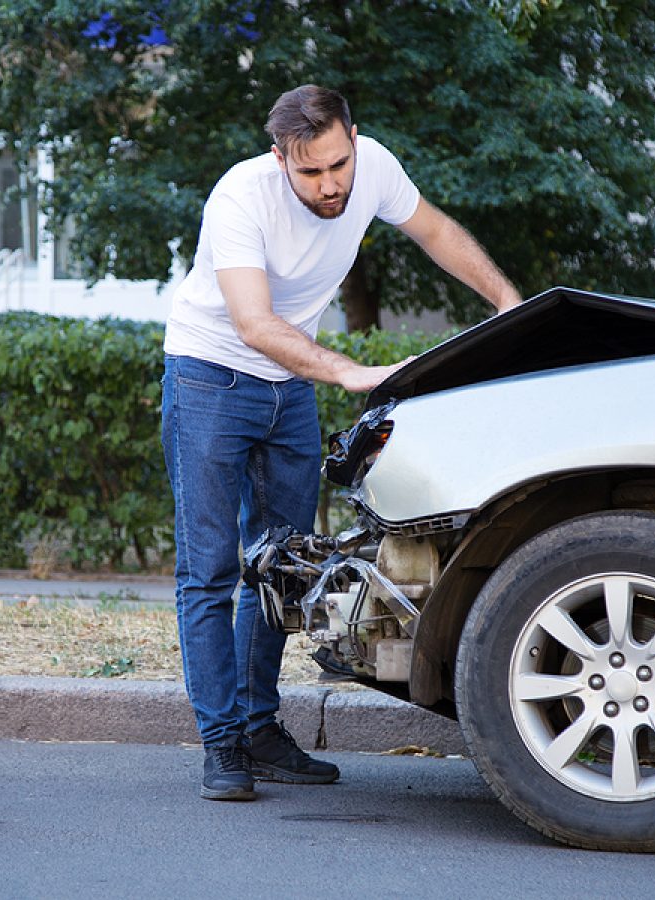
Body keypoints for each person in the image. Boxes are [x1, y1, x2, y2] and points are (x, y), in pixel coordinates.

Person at [161, 84, 521, 801]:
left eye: (338, 166)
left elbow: (439, 233)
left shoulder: (375, 167)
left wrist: (508, 305)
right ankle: (223, 743)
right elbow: (256, 325)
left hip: (287, 387)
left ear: (355, 139)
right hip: (210, 377)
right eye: (310, 172)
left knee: (282, 565)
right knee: (209, 569)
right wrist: (350, 372)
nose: (329, 186)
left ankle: (261, 729)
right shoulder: (240, 198)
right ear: (280, 158)